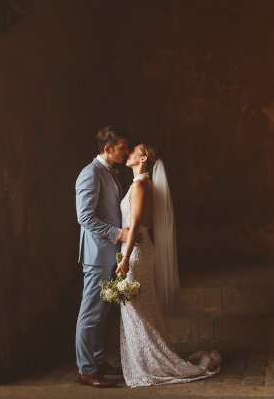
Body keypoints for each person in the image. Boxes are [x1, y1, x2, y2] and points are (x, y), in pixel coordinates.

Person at [116, 143, 220, 387]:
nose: (129, 153)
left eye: (134, 151)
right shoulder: (139, 184)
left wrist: (126, 260)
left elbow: (136, 226)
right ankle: (148, 360)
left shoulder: (141, 185)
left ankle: (156, 362)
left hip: (137, 252)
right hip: (133, 250)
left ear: (143, 160)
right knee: (140, 310)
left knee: (139, 309)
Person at [75, 126, 135, 388]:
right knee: (90, 312)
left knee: (101, 311)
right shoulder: (90, 173)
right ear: (108, 149)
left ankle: (98, 360)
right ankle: (86, 370)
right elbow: (85, 217)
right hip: (97, 254)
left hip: (109, 253)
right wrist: (118, 234)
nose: (127, 152)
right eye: (123, 148)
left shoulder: (108, 172)